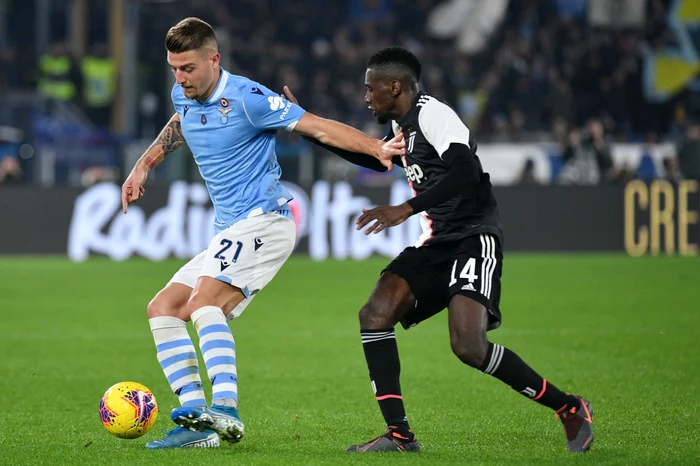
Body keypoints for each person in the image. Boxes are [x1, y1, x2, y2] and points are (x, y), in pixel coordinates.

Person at [284, 46, 594, 453]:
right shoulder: (403, 132)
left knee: (469, 347)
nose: (365, 97)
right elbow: (372, 157)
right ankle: (399, 436)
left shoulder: (433, 113)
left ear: (395, 87)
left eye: (370, 88)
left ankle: (569, 408)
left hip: (472, 236)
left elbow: (466, 171)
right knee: (374, 315)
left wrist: (406, 208)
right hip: (436, 243)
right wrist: (306, 126)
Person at [121, 18, 403, 450]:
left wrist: (377, 148)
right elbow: (180, 123)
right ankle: (198, 428)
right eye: (174, 68)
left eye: (189, 68)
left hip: (267, 222)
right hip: (228, 230)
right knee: (162, 308)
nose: (180, 78)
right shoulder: (185, 93)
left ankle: (227, 410)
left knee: (204, 301)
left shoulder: (250, 98)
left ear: (214, 60)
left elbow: (318, 126)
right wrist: (143, 165)